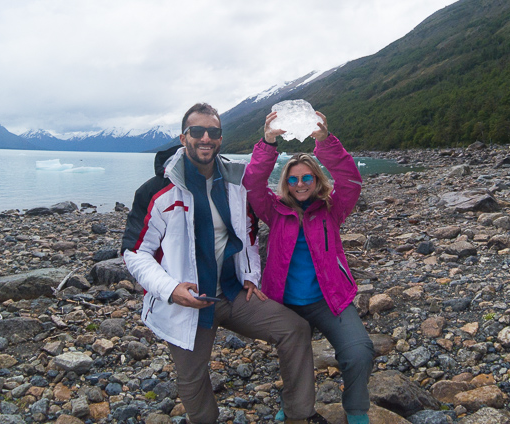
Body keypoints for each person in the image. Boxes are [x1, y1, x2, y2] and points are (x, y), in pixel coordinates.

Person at [122, 103, 328, 424]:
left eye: (213, 132)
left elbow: (248, 231)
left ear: (220, 138)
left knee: (294, 329)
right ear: (183, 137)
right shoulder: (158, 191)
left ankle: (299, 414)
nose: (206, 138)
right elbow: (135, 252)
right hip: (187, 301)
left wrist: (250, 274)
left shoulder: (234, 182)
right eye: (197, 131)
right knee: (192, 379)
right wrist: (171, 289)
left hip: (233, 293)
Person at [243, 111, 375, 424]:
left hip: (328, 300)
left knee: (359, 352)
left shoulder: (333, 208)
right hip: (286, 303)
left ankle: (356, 410)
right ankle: (293, 405)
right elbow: (251, 183)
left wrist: (325, 141)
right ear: (286, 183)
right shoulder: (273, 211)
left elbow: (351, 178)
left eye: (306, 178)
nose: (300, 184)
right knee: (293, 359)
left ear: (316, 180)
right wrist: (268, 142)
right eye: (293, 178)